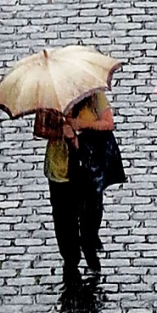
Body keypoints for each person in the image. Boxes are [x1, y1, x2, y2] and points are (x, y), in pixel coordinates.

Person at [35, 90, 125, 285]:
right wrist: (62, 133)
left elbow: (108, 123)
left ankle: (89, 241)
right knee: (63, 218)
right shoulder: (49, 97)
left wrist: (80, 125)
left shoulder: (94, 96)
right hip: (60, 169)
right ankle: (71, 259)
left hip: (88, 166)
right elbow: (39, 129)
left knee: (92, 212)